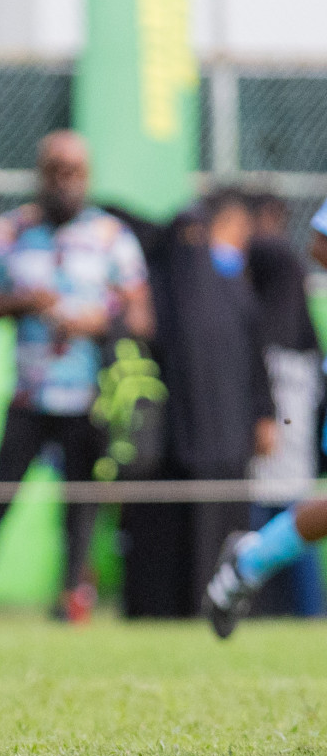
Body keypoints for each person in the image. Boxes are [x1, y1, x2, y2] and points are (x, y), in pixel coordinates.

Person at [0, 131, 153, 622]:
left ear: (88, 176)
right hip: (28, 395)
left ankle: (69, 604)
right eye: (55, 170)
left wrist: (95, 322)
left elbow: (142, 317)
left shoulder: (111, 236)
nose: (65, 180)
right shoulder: (10, 232)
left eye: (74, 171)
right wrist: (24, 302)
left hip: (87, 397)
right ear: (40, 173)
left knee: (79, 510)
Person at [122, 190, 275, 618]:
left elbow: (255, 359)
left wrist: (263, 415)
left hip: (228, 437)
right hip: (174, 437)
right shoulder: (168, 285)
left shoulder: (234, 292)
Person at [204, 192, 327, 637]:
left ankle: (250, 562)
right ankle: (250, 563)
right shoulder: (270, 255)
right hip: (290, 381)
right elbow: (320, 242)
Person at [244, 193, 323, 617]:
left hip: (290, 396)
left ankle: (249, 575)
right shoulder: (284, 268)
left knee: (286, 500)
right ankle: (251, 577)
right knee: (293, 503)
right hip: (296, 400)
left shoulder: (269, 256)